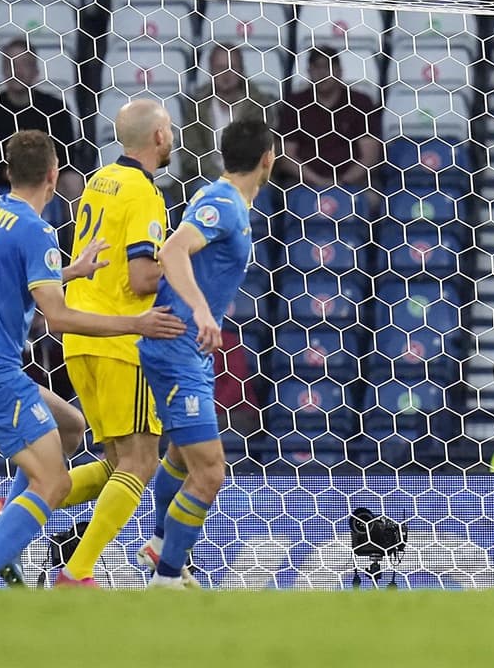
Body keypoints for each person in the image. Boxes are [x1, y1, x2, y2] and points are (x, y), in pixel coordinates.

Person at [0, 129, 184, 587]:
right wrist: (136, 324)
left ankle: (2, 522)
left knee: (71, 426)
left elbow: (9, 274)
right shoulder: (38, 230)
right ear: (54, 176)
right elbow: (57, 317)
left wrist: (70, 270)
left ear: (8, 171)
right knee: (53, 483)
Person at [137, 118, 276, 588]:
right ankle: (168, 577)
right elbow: (173, 251)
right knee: (211, 472)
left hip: (184, 347)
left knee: (180, 453)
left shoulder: (219, 196)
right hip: (178, 343)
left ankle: (160, 544)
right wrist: (201, 310)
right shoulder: (224, 204)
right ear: (267, 160)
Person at [55, 99, 175, 587]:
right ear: (159, 138)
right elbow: (143, 276)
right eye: (169, 128)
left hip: (81, 337)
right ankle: (78, 574)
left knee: (113, 467)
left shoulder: (98, 181)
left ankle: (9, 514)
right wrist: (190, 263)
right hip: (123, 340)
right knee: (141, 463)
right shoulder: (145, 193)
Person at [0, 39, 83, 204]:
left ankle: (71, 230)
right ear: (3, 71)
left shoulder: (56, 108)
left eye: (24, 64)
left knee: (74, 182)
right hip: (1, 179)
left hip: (45, 179)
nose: (17, 71)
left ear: (36, 71)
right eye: (10, 65)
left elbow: (66, 156)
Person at [180, 44, 277, 200]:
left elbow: (264, 150)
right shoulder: (197, 106)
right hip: (207, 178)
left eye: (232, 67)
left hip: (250, 177)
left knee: (261, 197)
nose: (226, 74)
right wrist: (221, 177)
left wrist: (239, 177)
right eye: (220, 68)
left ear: (241, 70)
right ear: (210, 70)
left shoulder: (258, 104)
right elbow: (190, 152)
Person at [276, 47, 382, 190]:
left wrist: (342, 182)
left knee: (372, 199)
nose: (322, 73)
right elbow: (287, 157)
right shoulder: (295, 104)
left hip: (355, 182)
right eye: (316, 67)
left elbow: (370, 156)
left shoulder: (360, 102)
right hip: (304, 182)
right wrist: (318, 182)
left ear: (340, 71)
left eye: (328, 67)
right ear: (309, 72)